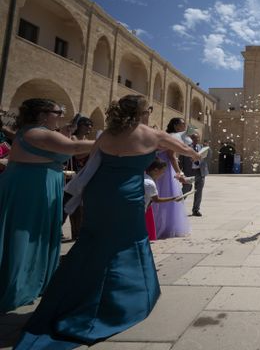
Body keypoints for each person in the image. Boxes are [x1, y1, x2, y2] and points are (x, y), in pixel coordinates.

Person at [14, 95, 200, 348]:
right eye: (149, 109)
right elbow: (187, 151)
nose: (150, 113)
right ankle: (120, 301)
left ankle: (72, 296)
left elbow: (92, 163)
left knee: (93, 241)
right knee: (127, 242)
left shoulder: (107, 134)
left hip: (98, 193)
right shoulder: (153, 135)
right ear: (142, 112)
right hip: (126, 196)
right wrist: (197, 155)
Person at [0, 99, 94, 313]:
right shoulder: (35, 132)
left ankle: (34, 278)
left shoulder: (37, 132)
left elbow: (73, 151)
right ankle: (17, 283)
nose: (61, 115)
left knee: (37, 234)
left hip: (38, 186)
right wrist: (111, 140)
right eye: (57, 111)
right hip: (28, 188)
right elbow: (75, 147)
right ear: (42, 115)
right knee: (24, 235)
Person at [153, 118, 191, 238]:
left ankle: (158, 224)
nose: (185, 125)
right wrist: (180, 173)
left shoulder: (169, 136)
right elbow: (171, 156)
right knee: (166, 194)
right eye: (182, 124)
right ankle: (163, 226)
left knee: (160, 194)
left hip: (161, 166)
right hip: (164, 169)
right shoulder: (172, 137)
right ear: (176, 126)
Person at [144, 158, 185, 241]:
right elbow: (156, 200)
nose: (163, 174)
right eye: (162, 171)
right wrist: (173, 198)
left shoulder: (144, 177)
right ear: (155, 170)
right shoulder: (150, 183)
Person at [179, 131, 208, 216]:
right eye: (194, 138)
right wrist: (180, 173)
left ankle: (196, 210)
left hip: (200, 172)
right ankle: (177, 207)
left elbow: (206, 158)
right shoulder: (185, 148)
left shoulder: (202, 147)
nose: (196, 140)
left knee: (199, 192)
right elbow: (181, 161)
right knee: (186, 189)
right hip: (189, 172)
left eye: (198, 138)